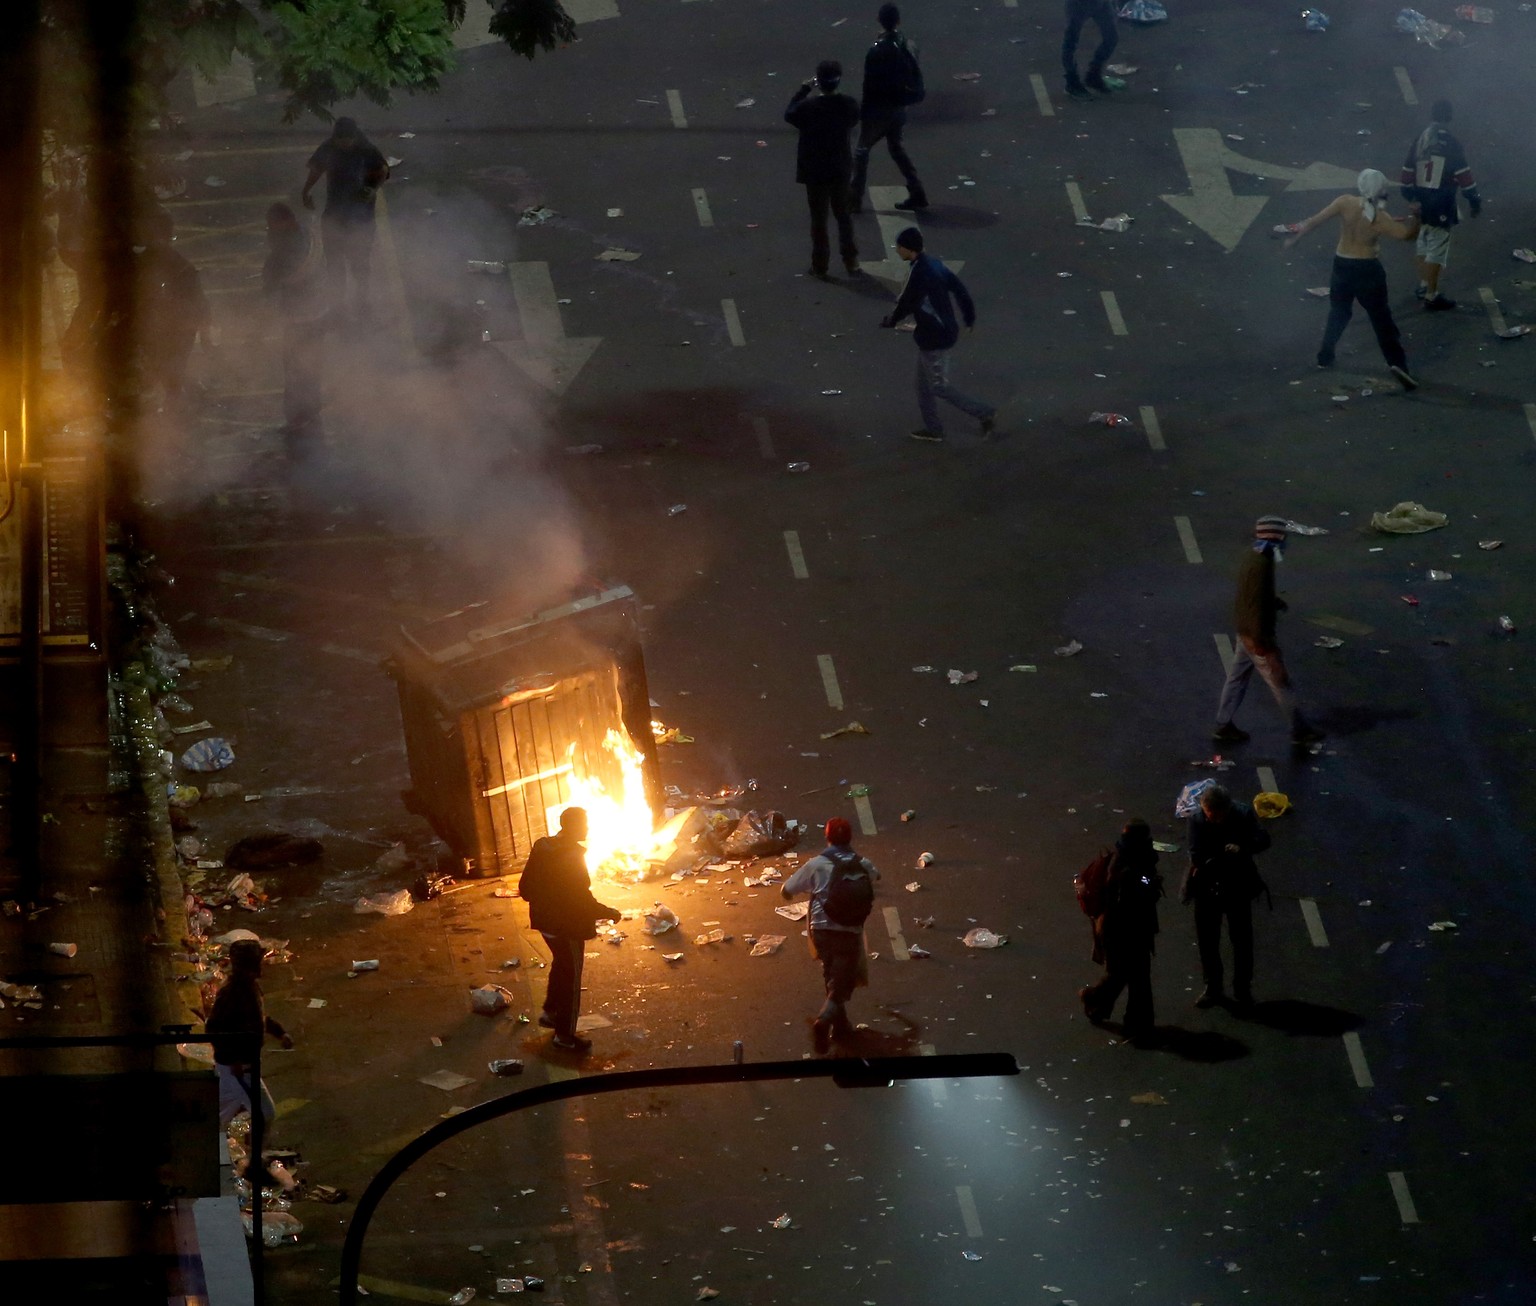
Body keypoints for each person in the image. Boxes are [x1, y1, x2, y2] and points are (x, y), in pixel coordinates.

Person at [1284, 169, 1422, 390]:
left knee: (1339, 312)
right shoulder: (1380, 218)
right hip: (1367, 269)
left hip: (1342, 266)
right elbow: (1406, 236)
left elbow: (1314, 221)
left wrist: (1295, 239)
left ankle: (1325, 354)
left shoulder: (1345, 202)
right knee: (1380, 319)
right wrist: (1416, 217)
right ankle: (1398, 365)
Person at [1212, 515, 1324, 748]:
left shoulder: (1254, 556)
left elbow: (1253, 597)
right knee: (1280, 682)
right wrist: (1262, 643)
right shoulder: (1261, 564)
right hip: (1256, 635)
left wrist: (1273, 602)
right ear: (1277, 536)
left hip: (1246, 632)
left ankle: (1223, 724)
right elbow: (1253, 603)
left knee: (1237, 678)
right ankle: (1300, 730)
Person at [518, 807, 622, 1054]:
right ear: (573, 826)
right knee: (572, 980)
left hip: (545, 923)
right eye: (584, 823)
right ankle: (564, 1036)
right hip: (566, 927)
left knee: (561, 965)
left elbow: (525, 888)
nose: (587, 828)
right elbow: (581, 900)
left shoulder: (542, 845)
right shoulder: (572, 856)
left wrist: (546, 903)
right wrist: (609, 912)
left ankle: (551, 1012)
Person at [881, 227, 997, 443]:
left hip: (935, 336)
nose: (897, 250)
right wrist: (969, 317)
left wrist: (891, 321)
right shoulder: (934, 265)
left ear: (908, 249)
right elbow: (960, 290)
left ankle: (983, 412)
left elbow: (906, 302)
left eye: (899, 247)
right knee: (922, 385)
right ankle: (933, 429)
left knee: (938, 386)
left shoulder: (918, 272)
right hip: (939, 331)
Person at [782, 818, 881, 1054]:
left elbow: (786, 890)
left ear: (827, 837)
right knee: (842, 983)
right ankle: (823, 1022)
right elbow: (876, 877)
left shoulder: (816, 864)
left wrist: (816, 886)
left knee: (832, 976)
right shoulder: (862, 863)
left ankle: (840, 1026)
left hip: (821, 931)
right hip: (849, 932)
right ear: (850, 838)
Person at [205, 939, 292, 1183]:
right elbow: (212, 1028)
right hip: (238, 1067)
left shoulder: (248, 988)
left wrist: (279, 1032)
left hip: (238, 1065)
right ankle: (254, 1167)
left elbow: (259, 1018)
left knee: (220, 1114)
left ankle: (198, 1149)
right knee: (264, 1113)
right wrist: (232, 1058)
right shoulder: (233, 993)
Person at [1181, 785, 1271, 1011]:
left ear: (1227, 808)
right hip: (1207, 888)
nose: (1215, 821)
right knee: (1208, 942)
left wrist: (1242, 848)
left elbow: (1263, 839)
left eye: (1219, 816)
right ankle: (1213, 987)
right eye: (1211, 816)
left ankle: (1242, 988)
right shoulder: (1197, 821)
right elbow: (1196, 855)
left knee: (1242, 941)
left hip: (1237, 887)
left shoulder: (1243, 814)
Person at [1079, 819, 1162, 1041]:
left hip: (1121, 928)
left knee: (1122, 974)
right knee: (1138, 978)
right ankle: (1137, 1026)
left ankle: (1098, 1004)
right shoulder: (1125, 867)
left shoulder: (1130, 859)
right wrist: (1150, 882)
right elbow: (1137, 890)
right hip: (1125, 930)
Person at [1398, 99, 1482, 312]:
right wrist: (1474, 200)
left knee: (1423, 243)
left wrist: (1411, 198)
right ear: (1449, 117)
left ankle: (1423, 285)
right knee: (1437, 248)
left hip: (1421, 203)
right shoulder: (1450, 144)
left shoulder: (1420, 140)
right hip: (1441, 205)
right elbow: (1464, 176)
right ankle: (1431, 295)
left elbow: (1406, 174)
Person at [301, 117, 390, 316]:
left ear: (354, 137)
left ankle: (362, 300)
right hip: (335, 215)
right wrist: (306, 190)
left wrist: (372, 188)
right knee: (334, 263)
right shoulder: (328, 148)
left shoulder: (366, 149)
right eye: (341, 140)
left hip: (361, 218)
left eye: (347, 140)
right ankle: (337, 304)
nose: (344, 144)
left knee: (360, 262)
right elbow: (316, 169)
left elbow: (383, 170)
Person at [785, 60, 862, 280]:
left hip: (815, 170)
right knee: (843, 216)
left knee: (819, 219)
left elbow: (789, 113)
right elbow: (854, 119)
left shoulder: (808, 107)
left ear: (818, 81)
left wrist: (804, 89)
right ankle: (851, 260)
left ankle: (820, 265)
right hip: (840, 168)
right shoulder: (848, 105)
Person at [850, 4, 928, 214]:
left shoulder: (877, 50)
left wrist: (864, 114)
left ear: (879, 20)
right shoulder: (904, 42)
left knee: (861, 152)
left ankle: (854, 199)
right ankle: (917, 190)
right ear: (898, 21)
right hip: (898, 107)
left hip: (878, 111)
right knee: (896, 148)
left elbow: (870, 85)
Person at [262, 202, 326, 454]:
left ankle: (299, 422)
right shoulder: (307, 236)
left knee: (297, 370)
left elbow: (270, 284)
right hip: (317, 314)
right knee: (309, 369)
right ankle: (308, 417)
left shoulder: (284, 252)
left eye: (272, 225)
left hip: (299, 319)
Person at [137, 210, 210, 404]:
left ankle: (175, 407)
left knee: (164, 372)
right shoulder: (180, 263)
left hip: (169, 327)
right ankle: (178, 404)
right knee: (170, 372)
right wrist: (205, 334)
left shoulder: (148, 260)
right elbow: (199, 299)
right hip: (177, 327)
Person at [1062, 0, 1121, 100]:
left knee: (1111, 37)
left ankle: (1093, 74)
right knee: (1071, 41)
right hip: (1079, 4)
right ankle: (1072, 82)